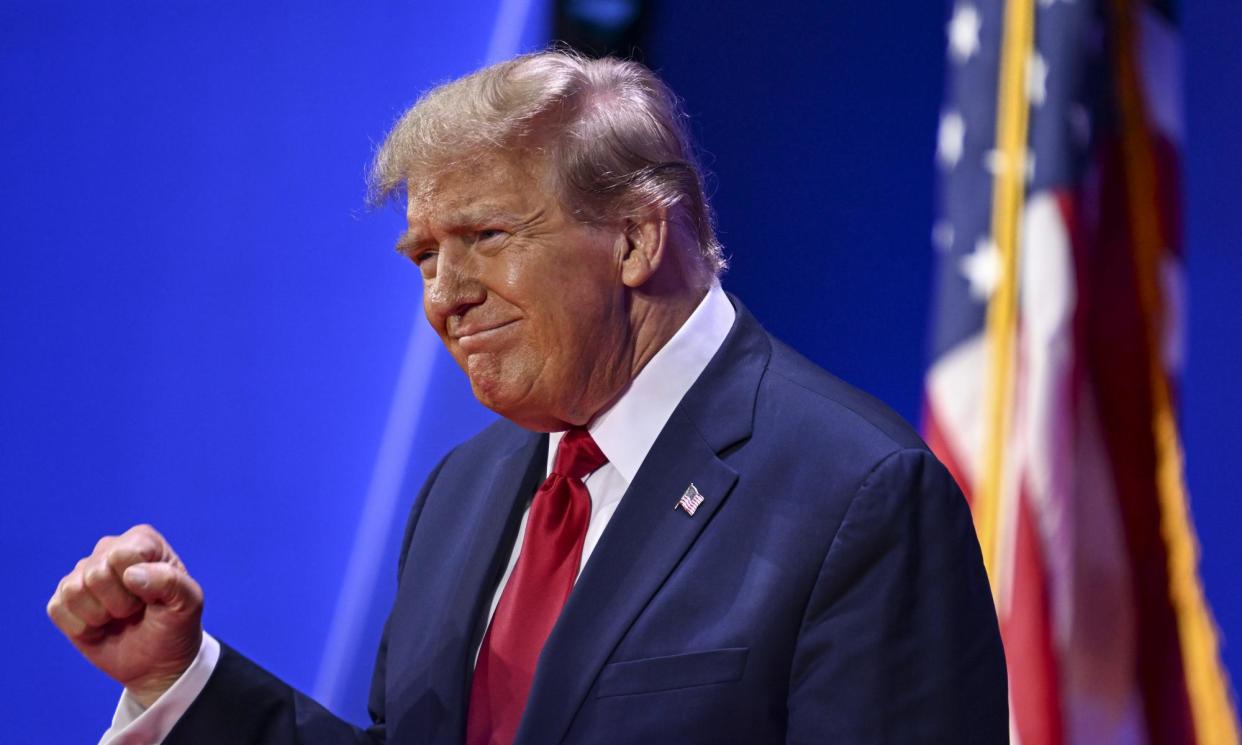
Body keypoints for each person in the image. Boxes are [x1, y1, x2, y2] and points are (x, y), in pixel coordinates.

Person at [48, 50, 1008, 744]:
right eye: (425, 256)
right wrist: (182, 681)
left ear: (634, 237)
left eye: (486, 238)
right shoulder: (464, 493)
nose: (443, 296)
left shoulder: (857, 494)